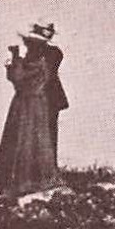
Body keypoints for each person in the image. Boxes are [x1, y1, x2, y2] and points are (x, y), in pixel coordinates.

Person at [0, 31, 63, 197]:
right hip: (31, 104)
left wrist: (15, 57)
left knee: (27, 140)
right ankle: (29, 178)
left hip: (29, 105)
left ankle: (26, 180)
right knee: (29, 140)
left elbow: (18, 78)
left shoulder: (38, 63)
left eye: (30, 43)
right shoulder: (37, 61)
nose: (27, 46)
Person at [27, 22, 68, 153]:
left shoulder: (53, 52)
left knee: (48, 132)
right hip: (38, 96)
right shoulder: (34, 52)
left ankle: (48, 167)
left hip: (49, 96)